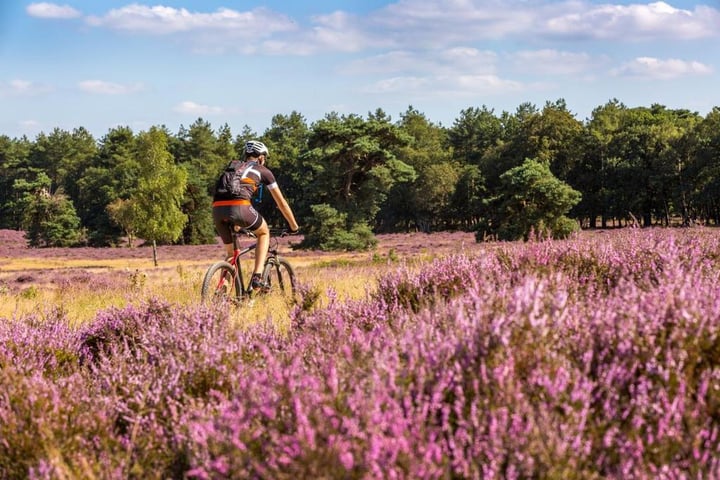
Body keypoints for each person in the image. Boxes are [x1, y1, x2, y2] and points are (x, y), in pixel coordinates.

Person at [212, 140, 299, 290]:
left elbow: (229, 193)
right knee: (264, 232)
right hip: (240, 207)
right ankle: (257, 277)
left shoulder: (233, 167)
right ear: (261, 157)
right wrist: (293, 226)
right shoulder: (262, 171)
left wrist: (237, 222)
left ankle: (221, 295)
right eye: (264, 158)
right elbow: (281, 203)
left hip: (217, 209)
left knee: (231, 254)